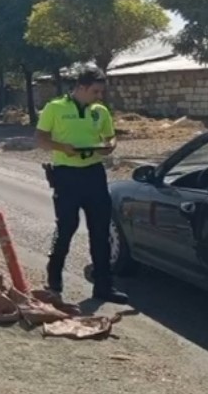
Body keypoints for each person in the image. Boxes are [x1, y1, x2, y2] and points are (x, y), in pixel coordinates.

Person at [34, 67, 128, 304]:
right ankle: (54, 283)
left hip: (94, 174)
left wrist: (111, 145)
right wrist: (62, 148)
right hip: (66, 175)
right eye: (95, 91)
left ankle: (104, 286)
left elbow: (110, 136)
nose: (99, 96)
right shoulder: (54, 107)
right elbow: (41, 138)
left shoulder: (100, 111)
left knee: (101, 231)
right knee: (66, 228)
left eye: (101, 92)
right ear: (81, 87)